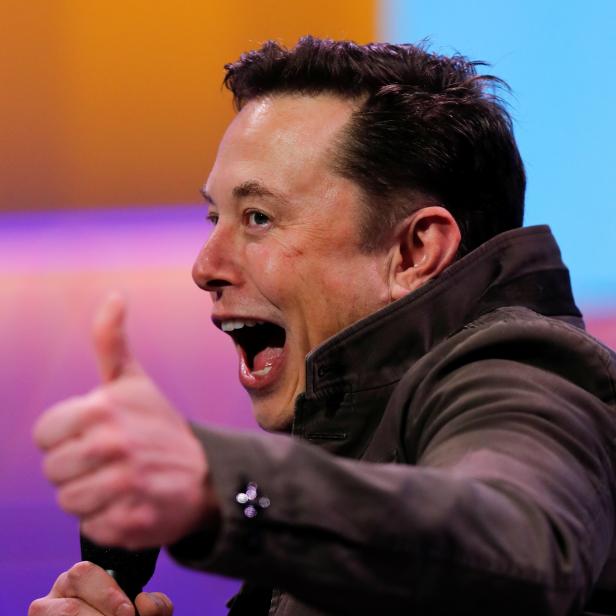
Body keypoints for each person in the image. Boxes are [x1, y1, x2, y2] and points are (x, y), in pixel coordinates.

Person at [30, 37, 616, 616]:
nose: (204, 267)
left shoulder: (518, 365)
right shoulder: (352, 462)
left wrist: (220, 485)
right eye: (216, 216)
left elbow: (516, 543)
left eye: (259, 218)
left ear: (414, 252)